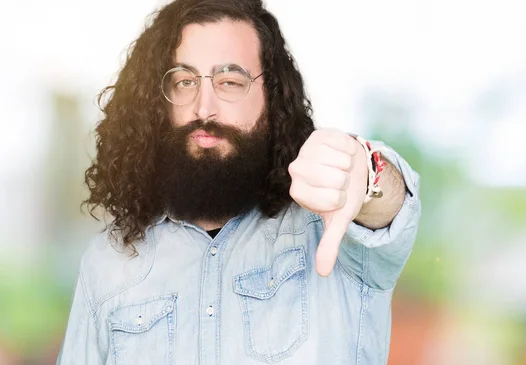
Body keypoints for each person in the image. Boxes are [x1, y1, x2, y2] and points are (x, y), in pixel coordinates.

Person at [56, 0, 421, 364]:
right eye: (184, 81)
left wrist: (365, 172)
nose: (204, 107)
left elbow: (388, 208)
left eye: (230, 81)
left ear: (271, 97)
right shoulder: (108, 263)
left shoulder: (330, 231)